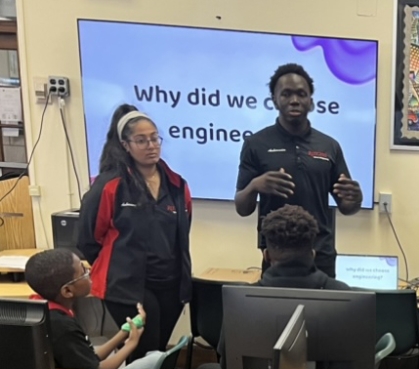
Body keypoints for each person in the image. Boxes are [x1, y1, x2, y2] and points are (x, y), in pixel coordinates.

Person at [77, 104, 192, 362]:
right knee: (142, 354)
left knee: (162, 354)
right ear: (125, 145)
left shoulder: (177, 185)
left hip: (171, 285)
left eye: (154, 138)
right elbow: (88, 240)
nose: (151, 145)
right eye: (141, 140)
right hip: (129, 287)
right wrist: (118, 267)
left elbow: (182, 233)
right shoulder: (110, 186)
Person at [234, 63, 363, 277]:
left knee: (323, 312)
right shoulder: (255, 144)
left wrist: (355, 199)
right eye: (286, 94)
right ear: (274, 100)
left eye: (301, 94)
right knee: (277, 312)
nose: (294, 100)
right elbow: (242, 207)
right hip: (276, 255)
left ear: (311, 102)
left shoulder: (329, 146)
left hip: (320, 254)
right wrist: (255, 185)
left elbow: (347, 206)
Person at [214, 205, 351, 369]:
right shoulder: (344, 296)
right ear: (313, 254)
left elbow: (227, 363)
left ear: (266, 256)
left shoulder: (240, 302)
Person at [25, 249, 165, 369]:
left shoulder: (45, 312)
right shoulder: (63, 328)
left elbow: (90, 358)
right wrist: (131, 344)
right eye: (83, 272)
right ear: (67, 291)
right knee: (156, 358)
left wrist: (125, 332)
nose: (89, 273)